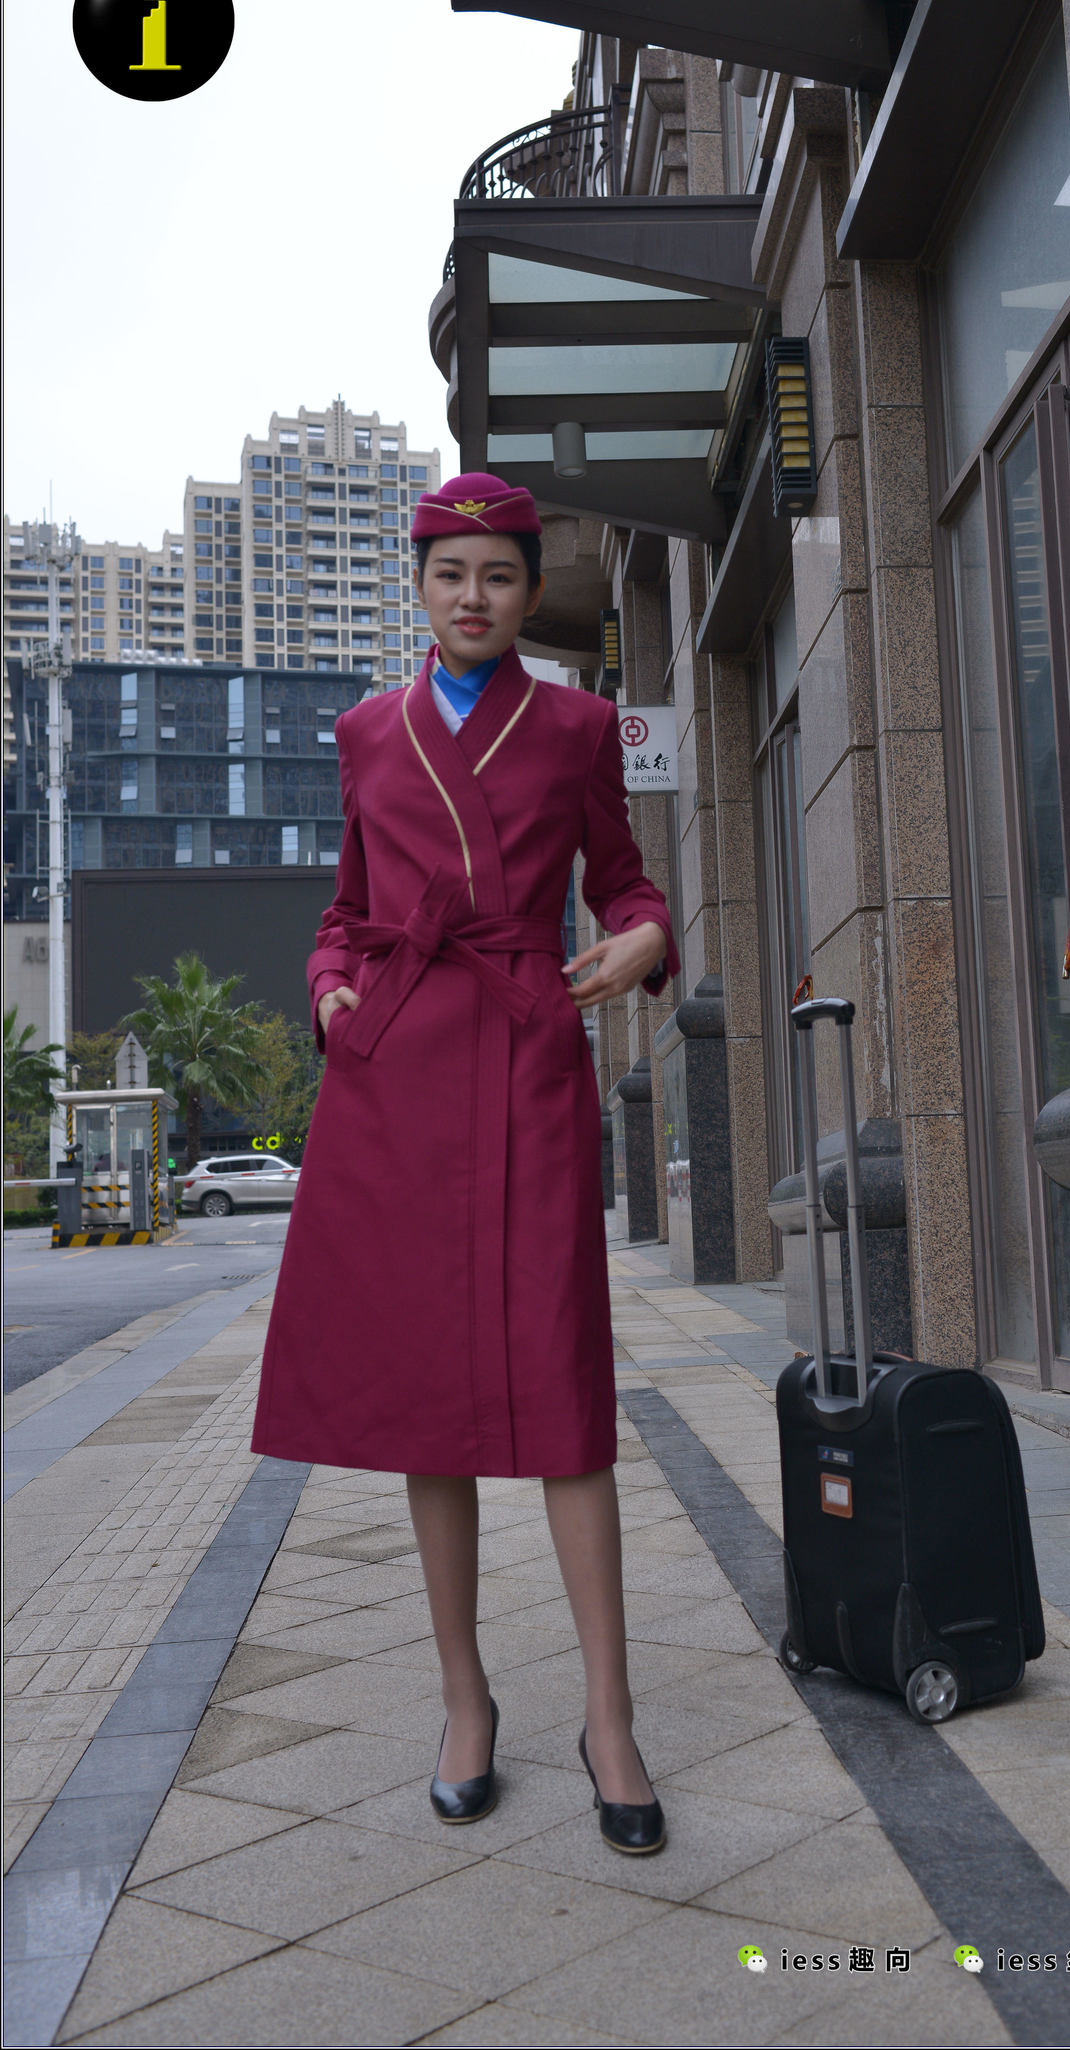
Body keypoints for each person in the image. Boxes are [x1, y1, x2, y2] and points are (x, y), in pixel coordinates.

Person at [251, 473, 678, 1855]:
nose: (474, 597)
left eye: (499, 575)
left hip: (528, 1063)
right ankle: (464, 1701)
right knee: (426, 1401)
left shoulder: (580, 728)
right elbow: (345, 909)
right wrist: (331, 989)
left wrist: (647, 937)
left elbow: (626, 882)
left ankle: (609, 1717)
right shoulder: (367, 731)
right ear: (420, 585)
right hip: (396, 1077)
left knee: (564, 1392)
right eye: (451, 574)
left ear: (532, 590)